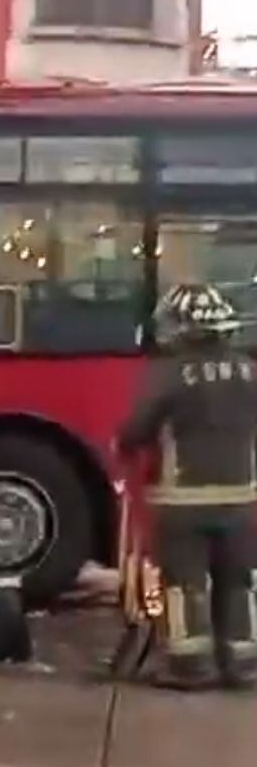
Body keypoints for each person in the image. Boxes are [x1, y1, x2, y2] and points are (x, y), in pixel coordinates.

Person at [117, 282, 257, 691]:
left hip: (182, 501)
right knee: (238, 581)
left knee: (185, 583)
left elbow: (138, 430)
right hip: (243, 499)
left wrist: (122, 443)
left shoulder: (169, 374)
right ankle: (243, 662)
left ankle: (190, 666)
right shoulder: (250, 370)